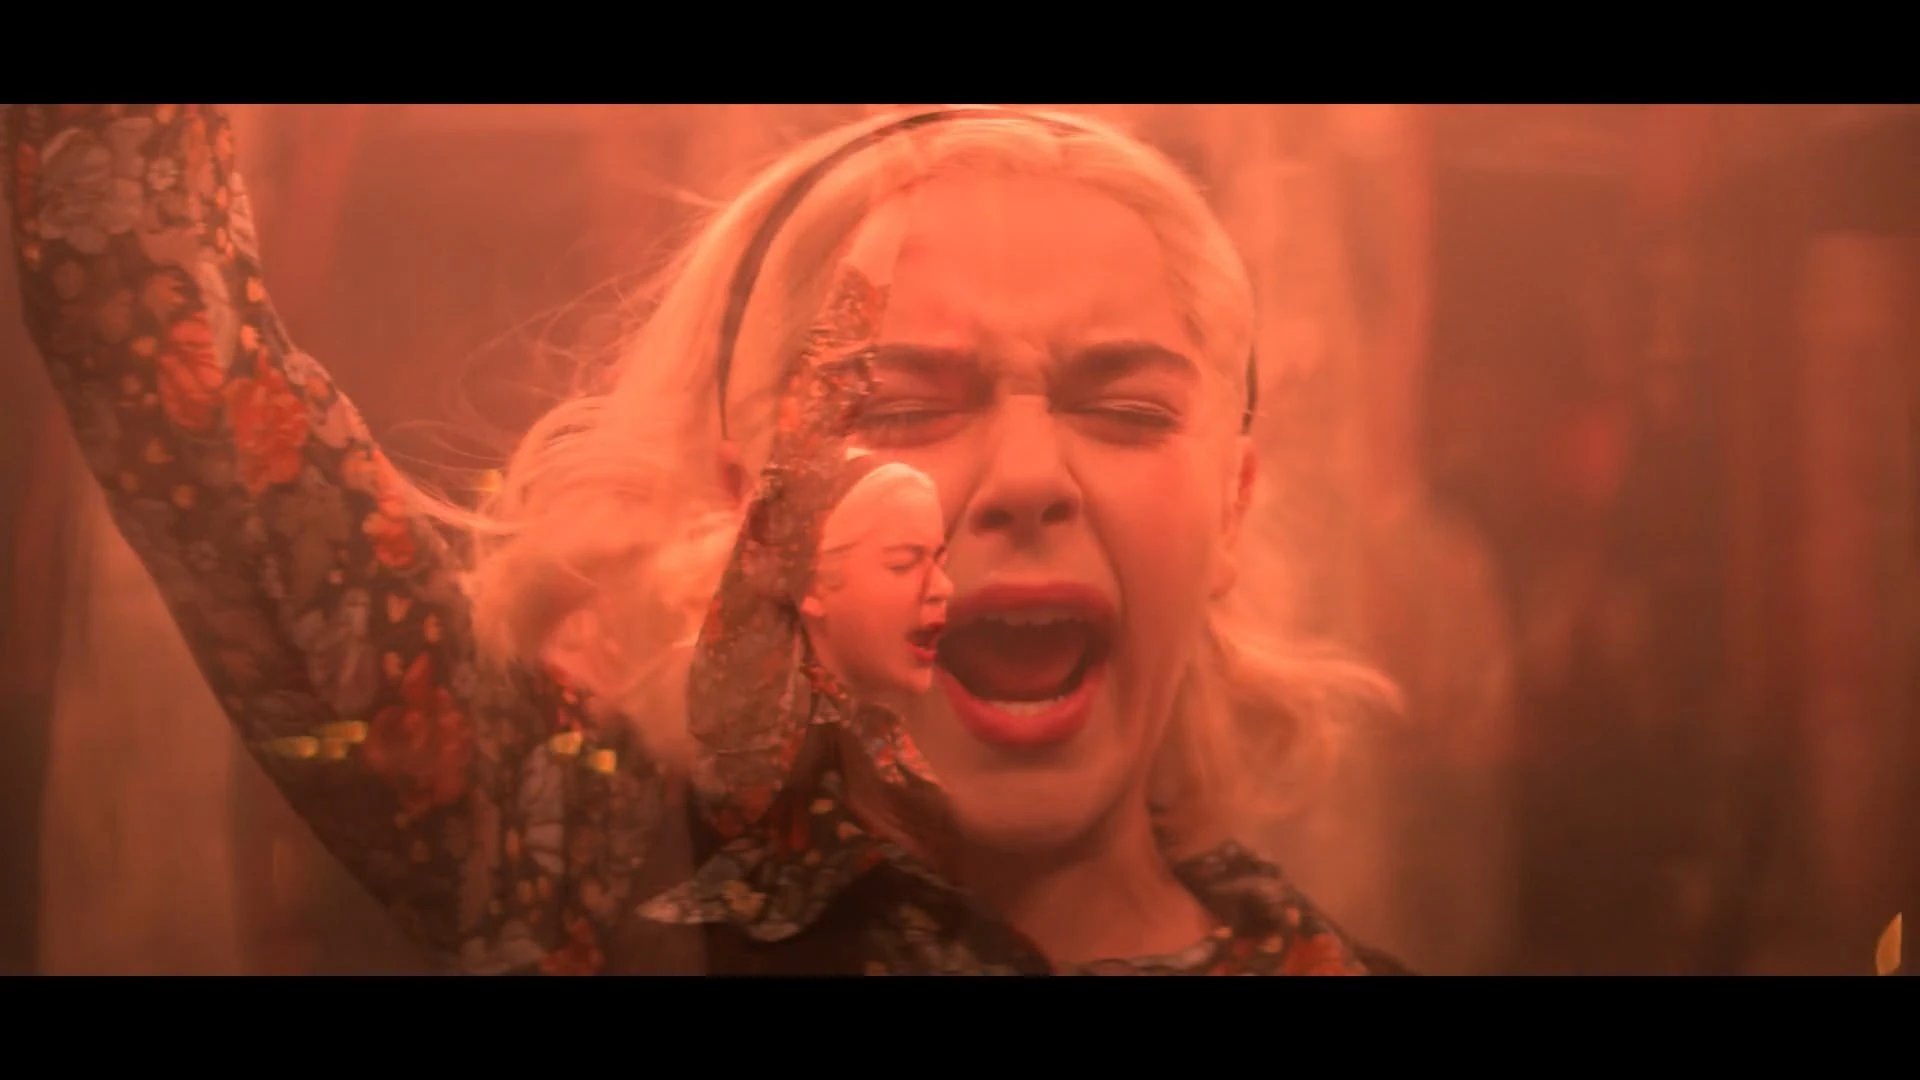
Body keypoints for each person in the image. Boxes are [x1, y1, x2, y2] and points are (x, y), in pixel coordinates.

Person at [5, 103, 1407, 974]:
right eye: (899, 405)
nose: (1029, 477)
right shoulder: (602, 877)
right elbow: (142, 298)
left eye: (1124, 406)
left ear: (1233, 502)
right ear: (762, 520)